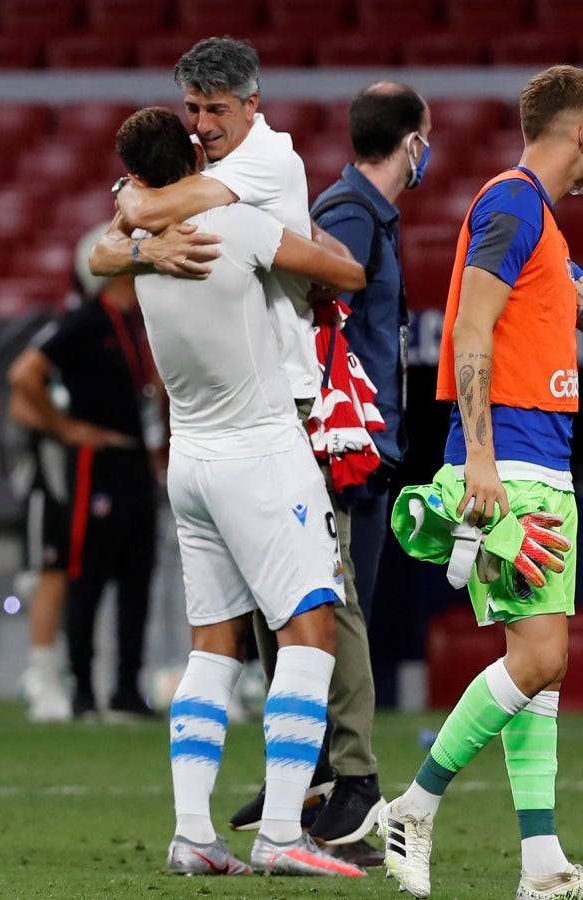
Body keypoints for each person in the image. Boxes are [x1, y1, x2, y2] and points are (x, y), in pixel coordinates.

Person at [91, 35, 387, 864]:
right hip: (263, 447)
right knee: (313, 628)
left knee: (212, 643)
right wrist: (322, 268)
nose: (204, 124)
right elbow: (349, 273)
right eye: (193, 114)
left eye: (214, 109)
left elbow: (112, 236)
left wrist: (138, 231)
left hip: (189, 461)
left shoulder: (144, 247)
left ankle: (191, 834)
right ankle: (288, 833)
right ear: (183, 146)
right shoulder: (237, 224)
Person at [378, 64, 583, 900]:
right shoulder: (513, 201)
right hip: (514, 461)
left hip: (546, 455)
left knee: (540, 673)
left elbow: (536, 314)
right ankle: (415, 806)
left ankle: (540, 864)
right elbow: (470, 325)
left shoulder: (544, 224)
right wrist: (484, 462)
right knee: (539, 656)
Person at [8, 224, 162, 722]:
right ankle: (81, 691)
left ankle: (126, 690)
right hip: (97, 463)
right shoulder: (86, 319)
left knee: (138, 576)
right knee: (88, 575)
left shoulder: (141, 322)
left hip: (137, 459)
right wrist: (67, 429)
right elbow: (23, 375)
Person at [311, 81, 431, 630]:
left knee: (350, 611)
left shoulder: (366, 214)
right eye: (425, 139)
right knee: (341, 614)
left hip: (366, 446)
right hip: (348, 448)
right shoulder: (352, 217)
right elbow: (318, 327)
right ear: (410, 145)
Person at [6, 381, 71, 722]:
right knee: (45, 580)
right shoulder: (47, 356)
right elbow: (20, 402)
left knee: (72, 585)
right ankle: (42, 678)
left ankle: (64, 673)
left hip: (79, 490)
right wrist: (66, 426)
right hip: (46, 491)